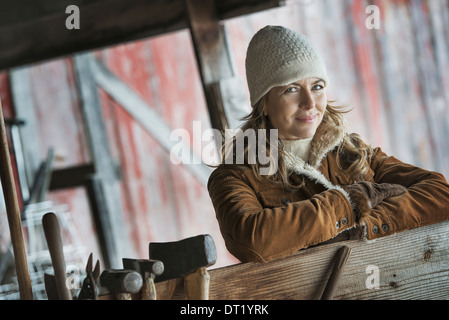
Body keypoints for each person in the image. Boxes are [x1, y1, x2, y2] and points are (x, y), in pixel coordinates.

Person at [207, 25, 449, 263]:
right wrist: (348, 204)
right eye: (291, 89)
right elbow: (254, 239)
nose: (309, 102)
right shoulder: (235, 176)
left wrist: (361, 226)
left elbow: (439, 194)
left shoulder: (354, 152)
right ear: (264, 104)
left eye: (317, 87)